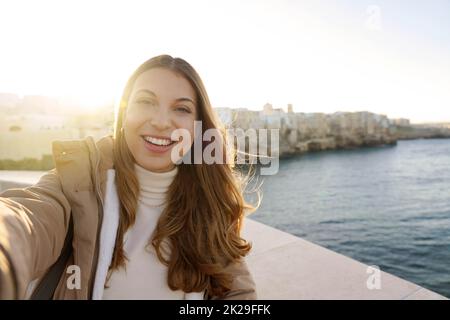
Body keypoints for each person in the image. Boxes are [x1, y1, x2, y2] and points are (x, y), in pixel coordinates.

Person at [0, 54, 259, 300]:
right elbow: (29, 220)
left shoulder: (209, 203)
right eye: (146, 102)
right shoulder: (79, 181)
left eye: (181, 109)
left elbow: (237, 291)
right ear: (124, 114)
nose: (160, 121)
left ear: (197, 126)